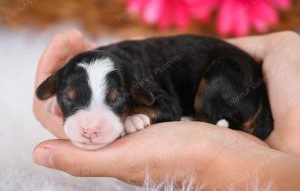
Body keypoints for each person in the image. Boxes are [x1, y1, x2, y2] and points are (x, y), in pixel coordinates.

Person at [33, 30, 300, 190]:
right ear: (57, 91)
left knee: (213, 89)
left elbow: (166, 107)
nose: (89, 126)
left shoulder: (138, 83)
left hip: (230, 76)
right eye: (70, 101)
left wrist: (144, 116)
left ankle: (223, 120)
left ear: (135, 93)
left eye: (113, 101)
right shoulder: (89, 77)